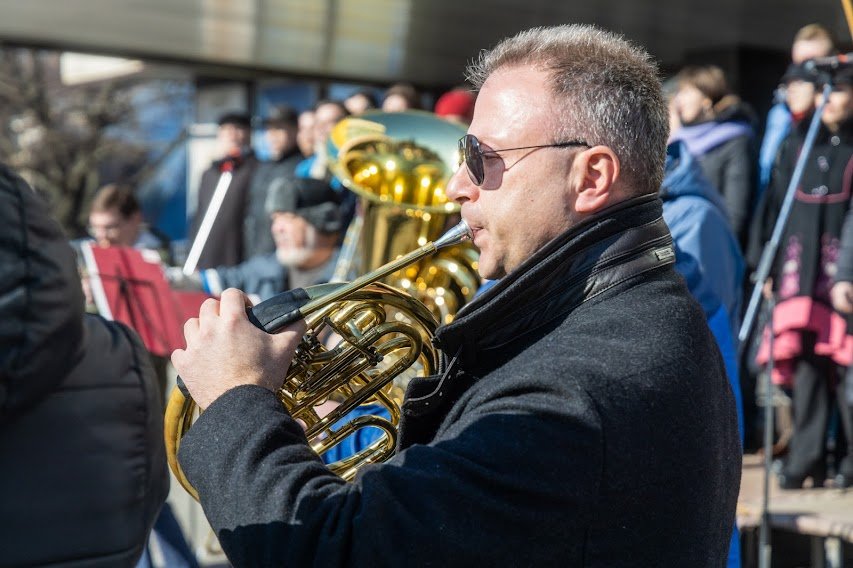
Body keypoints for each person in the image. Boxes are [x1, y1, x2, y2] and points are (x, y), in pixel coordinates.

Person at [172, 25, 741, 567]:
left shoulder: (569, 396)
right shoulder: (640, 316)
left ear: (590, 177)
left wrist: (234, 397)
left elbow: (331, 551)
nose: (455, 187)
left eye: (482, 158)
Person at [0, 163, 169, 566]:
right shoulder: (87, 259)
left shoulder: (154, 252)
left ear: (133, 222)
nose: (102, 239)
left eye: (110, 228)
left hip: (147, 353)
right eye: (96, 230)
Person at [750, 66, 853, 489]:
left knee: (846, 366)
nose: (831, 99)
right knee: (809, 365)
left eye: (842, 91)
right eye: (826, 91)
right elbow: (773, 207)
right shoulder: (796, 142)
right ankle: (806, 457)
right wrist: (766, 265)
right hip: (800, 269)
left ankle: (847, 460)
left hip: (842, 273)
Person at [172, 178, 343, 301]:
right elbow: (226, 279)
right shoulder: (266, 267)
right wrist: (174, 279)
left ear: (323, 222)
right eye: (275, 219)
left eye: (288, 217)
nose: (277, 228)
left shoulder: (348, 278)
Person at [670, 64, 758, 243]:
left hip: (712, 241)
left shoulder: (734, 140)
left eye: (686, 92)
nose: (679, 99)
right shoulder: (679, 140)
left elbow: (736, 212)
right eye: (679, 92)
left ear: (706, 99)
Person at [758, 24, 836, 200]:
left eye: (811, 64)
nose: (801, 74)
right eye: (797, 63)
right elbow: (767, 172)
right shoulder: (779, 115)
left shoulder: (836, 121)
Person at [188, 111, 258, 269]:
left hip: (237, 257)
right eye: (227, 130)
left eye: (238, 129)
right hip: (205, 257)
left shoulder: (256, 170)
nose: (232, 135)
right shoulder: (209, 174)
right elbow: (199, 216)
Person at [243, 105, 302, 259]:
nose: (273, 135)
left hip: (280, 254)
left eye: (279, 129)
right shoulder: (262, 166)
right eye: (269, 129)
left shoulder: (301, 166)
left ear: (295, 130)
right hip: (253, 251)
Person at [88, 183, 172, 262]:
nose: (102, 236)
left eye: (110, 227)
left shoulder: (158, 257)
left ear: (135, 219)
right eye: (95, 228)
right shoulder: (90, 253)